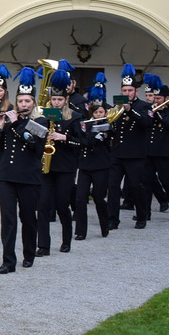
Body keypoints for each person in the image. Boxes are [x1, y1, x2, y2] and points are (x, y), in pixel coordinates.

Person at [0, 67, 44, 272]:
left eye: (27, 101)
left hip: (28, 177)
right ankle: (8, 260)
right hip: (6, 175)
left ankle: (29, 253)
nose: (23, 104)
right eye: (21, 101)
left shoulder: (40, 122)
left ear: (34, 103)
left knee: (28, 218)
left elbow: (36, 148)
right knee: (8, 219)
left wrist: (15, 124)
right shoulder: (8, 121)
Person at [35, 62, 80, 256]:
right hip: (47, 167)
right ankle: (43, 245)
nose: (56, 103)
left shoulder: (74, 117)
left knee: (62, 205)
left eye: (59, 99)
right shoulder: (44, 117)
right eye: (53, 99)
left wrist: (65, 138)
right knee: (43, 206)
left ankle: (66, 240)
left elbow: (83, 142)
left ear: (66, 99)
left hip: (65, 167)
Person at [107, 64, 153, 230]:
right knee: (113, 187)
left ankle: (141, 216)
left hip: (135, 155)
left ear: (136, 92)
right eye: (124, 90)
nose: (127, 93)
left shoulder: (144, 106)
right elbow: (114, 127)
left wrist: (130, 110)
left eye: (130, 91)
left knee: (136, 186)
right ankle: (112, 219)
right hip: (117, 153)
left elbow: (147, 123)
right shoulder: (117, 106)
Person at [142, 74, 169, 224]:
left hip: (164, 153)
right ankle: (145, 213)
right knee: (146, 183)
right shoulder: (149, 109)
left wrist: (158, 113)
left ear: (167, 98)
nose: (156, 101)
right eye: (155, 98)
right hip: (149, 152)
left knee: (167, 183)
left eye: (159, 98)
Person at [73, 84, 112, 240]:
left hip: (100, 166)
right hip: (85, 166)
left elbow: (100, 140)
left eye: (101, 112)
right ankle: (80, 231)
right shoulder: (86, 125)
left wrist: (98, 132)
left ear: (105, 112)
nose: (98, 114)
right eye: (96, 112)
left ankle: (105, 225)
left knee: (98, 198)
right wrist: (90, 130)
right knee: (80, 199)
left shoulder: (108, 126)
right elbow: (83, 140)